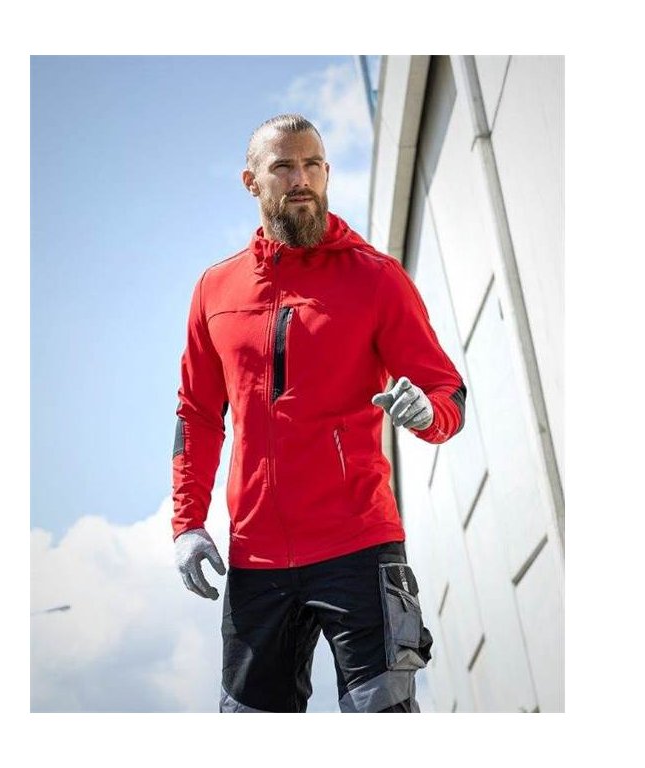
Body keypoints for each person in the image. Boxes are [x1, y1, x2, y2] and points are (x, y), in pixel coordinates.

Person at [171, 114, 466, 713]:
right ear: (251, 181)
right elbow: (197, 414)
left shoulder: (377, 279)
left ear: (327, 172)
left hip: (359, 547)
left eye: (312, 165)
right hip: (256, 558)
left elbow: (446, 390)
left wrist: (426, 414)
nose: (301, 179)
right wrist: (187, 524)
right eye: (283, 166)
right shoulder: (214, 290)